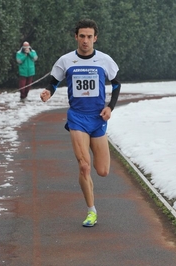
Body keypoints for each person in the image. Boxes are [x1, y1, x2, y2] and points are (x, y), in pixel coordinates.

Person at [40, 19, 121, 226]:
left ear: (95, 38)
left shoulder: (104, 60)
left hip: (98, 118)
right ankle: (91, 211)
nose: (85, 41)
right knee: (84, 166)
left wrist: (109, 107)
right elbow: (54, 81)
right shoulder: (66, 61)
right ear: (76, 37)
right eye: (82, 36)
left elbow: (117, 84)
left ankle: (93, 192)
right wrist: (48, 92)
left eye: (89, 37)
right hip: (77, 118)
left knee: (102, 171)